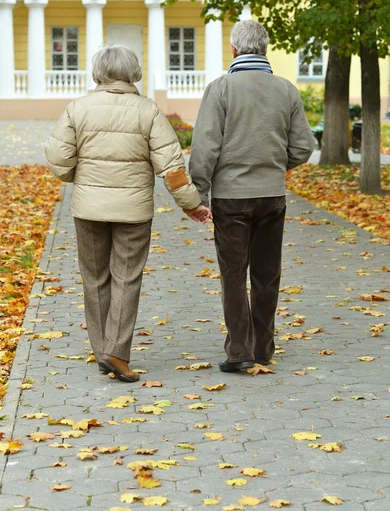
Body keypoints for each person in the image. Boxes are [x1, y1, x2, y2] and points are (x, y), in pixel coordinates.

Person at [45, 45, 211, 382]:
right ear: (133, 72)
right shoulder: (148, 112)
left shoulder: (77, 109)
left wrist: (81, 178)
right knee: (126, 277)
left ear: (98, 72)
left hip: (88, 210)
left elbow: (59, 162)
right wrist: (191, 204)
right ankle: (116, 352)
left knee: (94, 278)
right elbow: (173, 168)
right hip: (134, 212)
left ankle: (102, 350)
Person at [189, 20, 316, 373]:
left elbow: (204, 148)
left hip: (230, 198)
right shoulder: (286, 89)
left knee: (233, 273)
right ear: (265, 49)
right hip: (272, 195)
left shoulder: (221, 89)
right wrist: (275, 164)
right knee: (266, 273)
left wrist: (198, 194)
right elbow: (304, 146)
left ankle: (239, 351)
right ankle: (263, 347)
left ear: (233, 50)